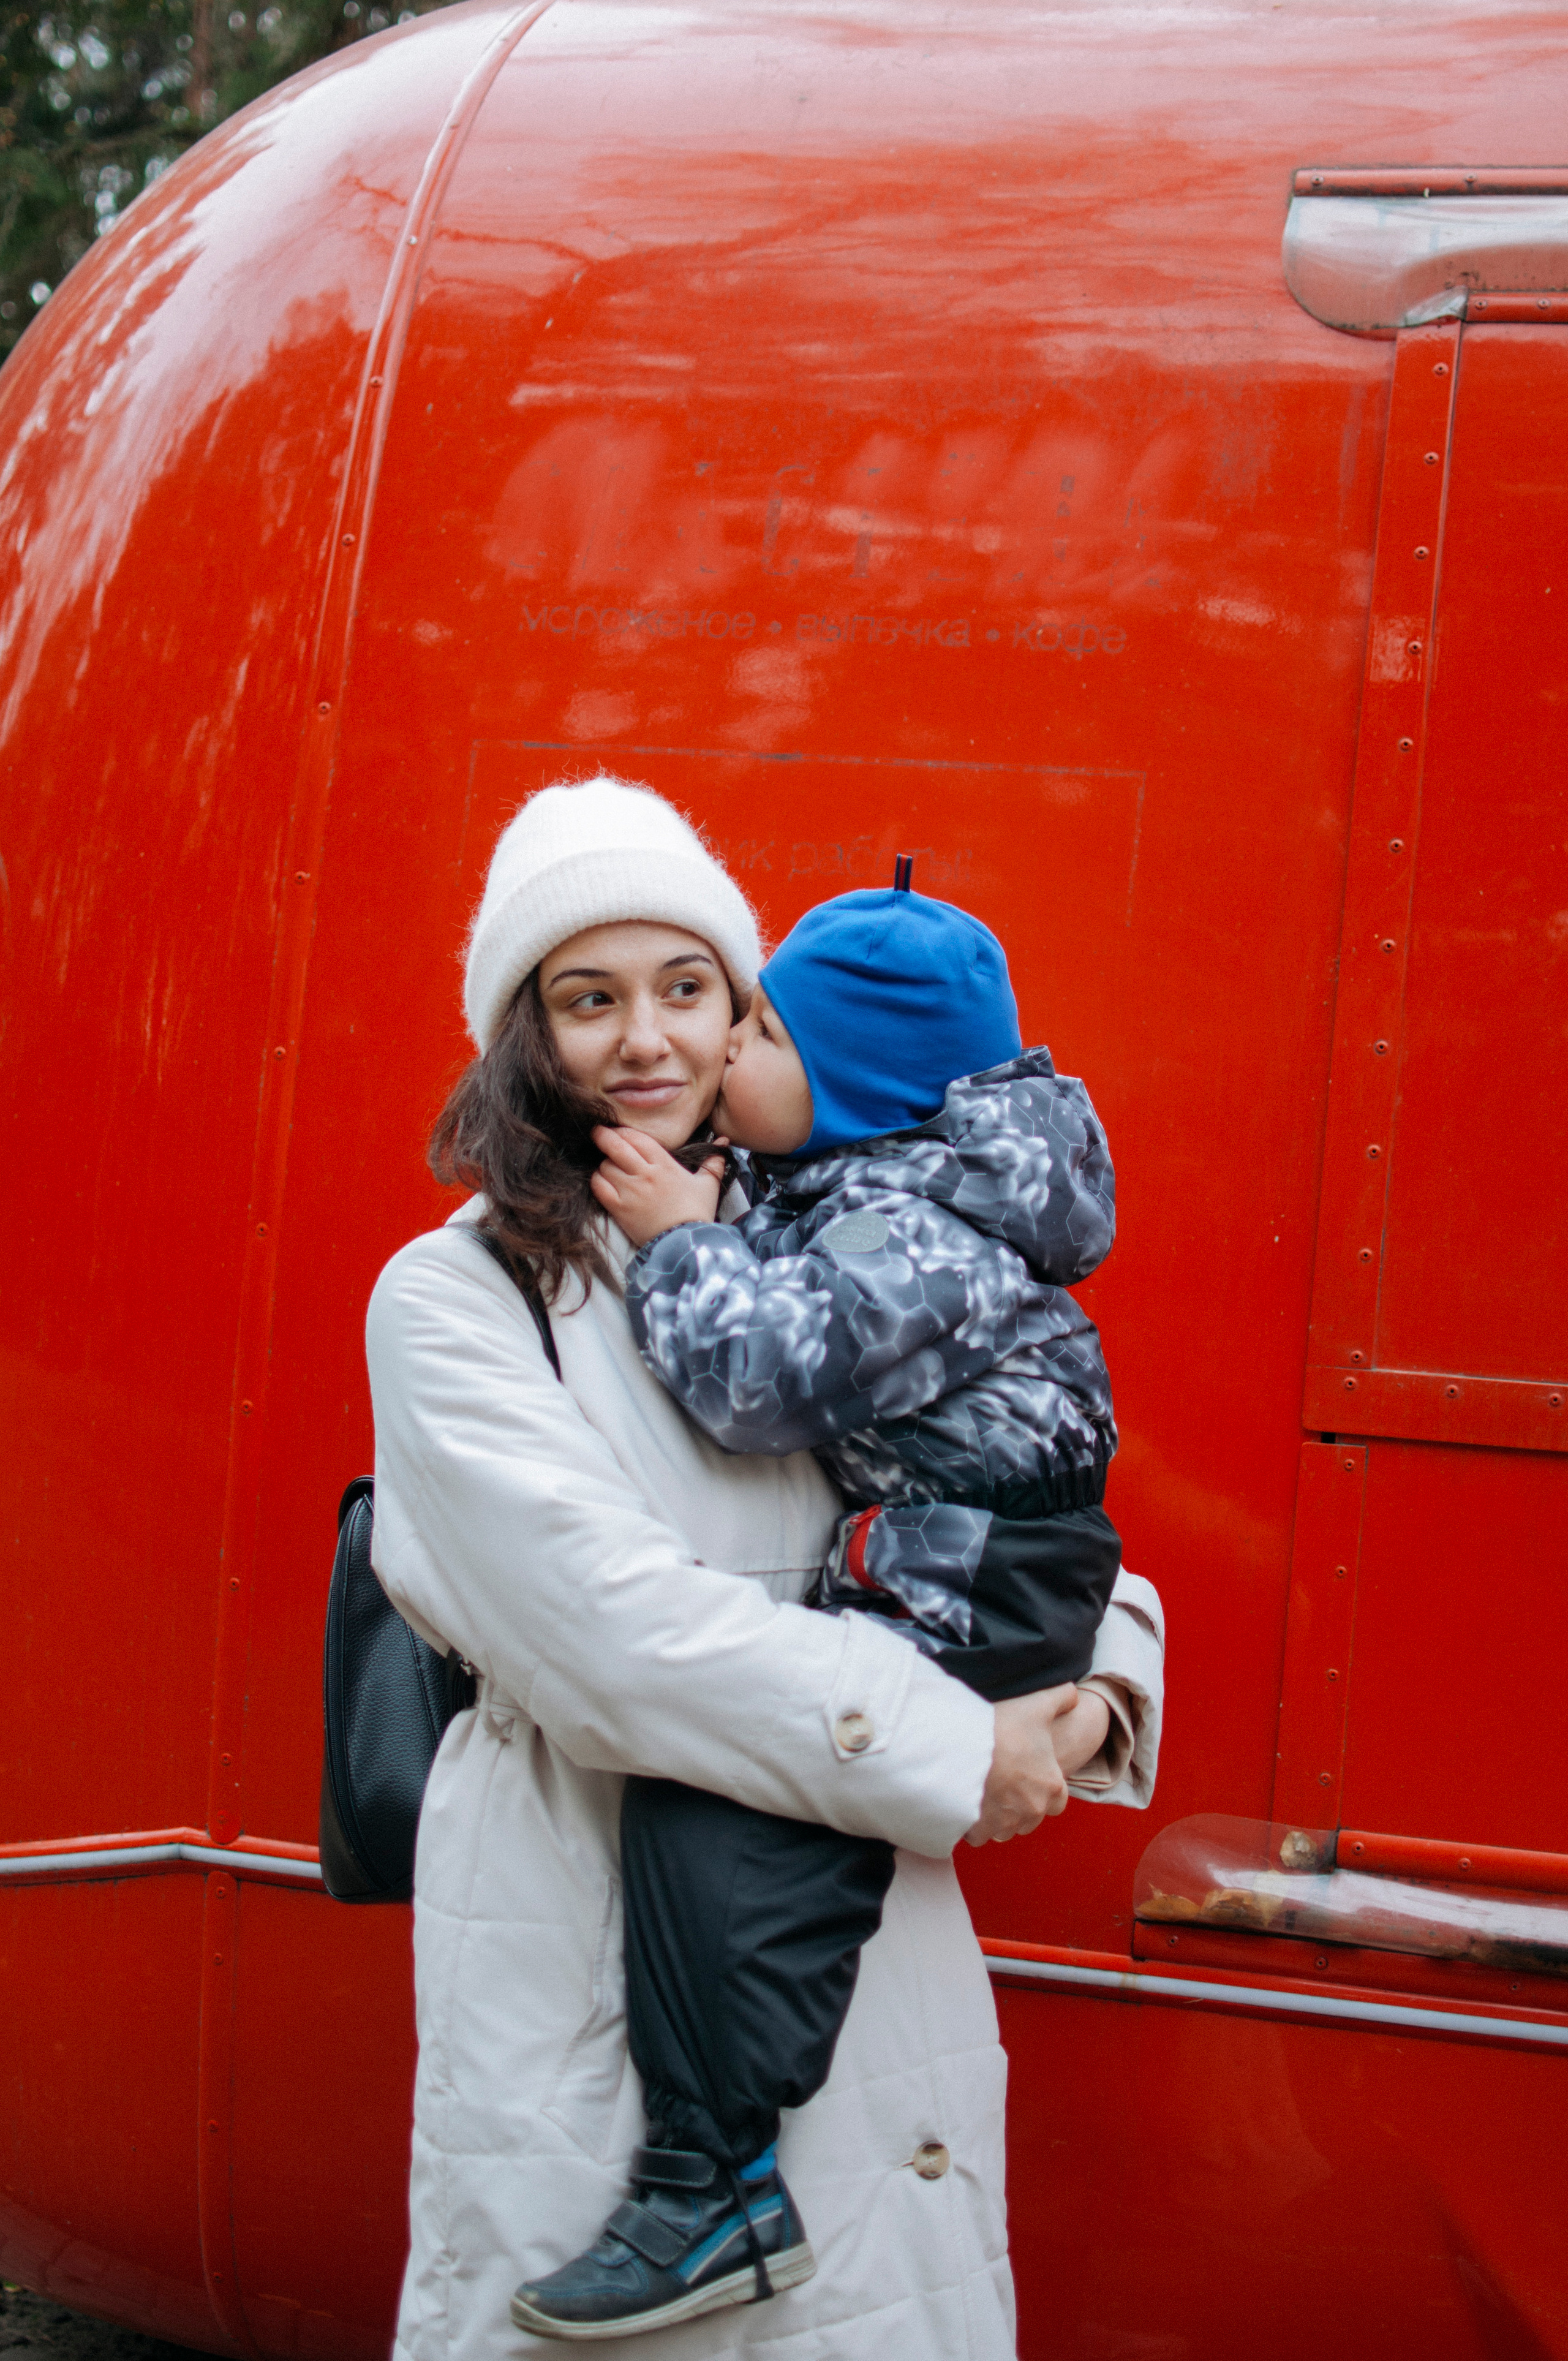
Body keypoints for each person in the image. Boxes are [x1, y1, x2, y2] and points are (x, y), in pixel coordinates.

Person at [365, 775, 1164, 2361]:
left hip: (868, 1931)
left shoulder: (827, 1228)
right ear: (524, 1033)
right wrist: (959, 1746)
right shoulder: (456, 1298)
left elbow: (1015, 1496)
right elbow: (617, 1643)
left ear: (744, 1017)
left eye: (688, 989)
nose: (647, 1041)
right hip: (611, 1934)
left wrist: (1093, 1703)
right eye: (589, 999)